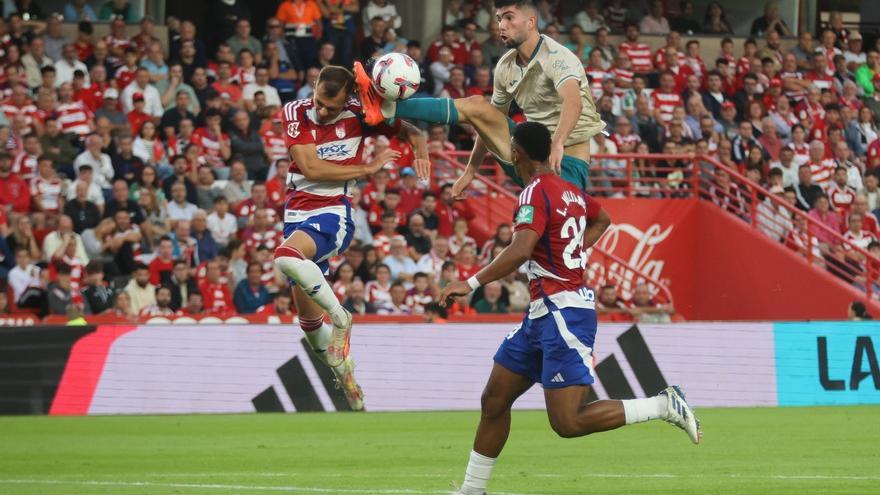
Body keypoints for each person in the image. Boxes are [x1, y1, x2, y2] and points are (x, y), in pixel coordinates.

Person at [441, 122, 699, 495]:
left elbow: (520, 250)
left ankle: (662, 406)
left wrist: (469, 283)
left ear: (516, 153)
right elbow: (603, 219)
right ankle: (471, 490)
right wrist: (574, 252)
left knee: (568, 422)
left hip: (563, 314)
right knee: (494, 399)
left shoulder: (534, 193)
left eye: (511, 147)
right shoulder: (570, 191)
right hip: (542, 312)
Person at [272, 66, 427, 411]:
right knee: (311, 327)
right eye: (320, 102)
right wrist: (369, 169)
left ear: (349, 99)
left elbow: (414, 131)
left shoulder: (361, 115)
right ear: (312, 88)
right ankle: (348, 380)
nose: (324, 111)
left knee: (285, 257)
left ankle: (341, 316)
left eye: (332, 106)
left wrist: (422, 153)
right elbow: (310, 168)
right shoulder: (295, 112)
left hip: (333, 212)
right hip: (296, 214)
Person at [355, 0, 604, 197]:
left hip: (566, 164)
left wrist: (558, 142)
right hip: (529, 157)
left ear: (531, 22)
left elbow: (574, 102)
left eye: (508, 18)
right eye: (498, 20)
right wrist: (470, 171)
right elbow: (487, 121)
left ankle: (386, 107)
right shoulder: (506, 66)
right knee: (477, 105)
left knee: (542, 248)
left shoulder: (558, 57)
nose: (501, 26)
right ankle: (386, 107)